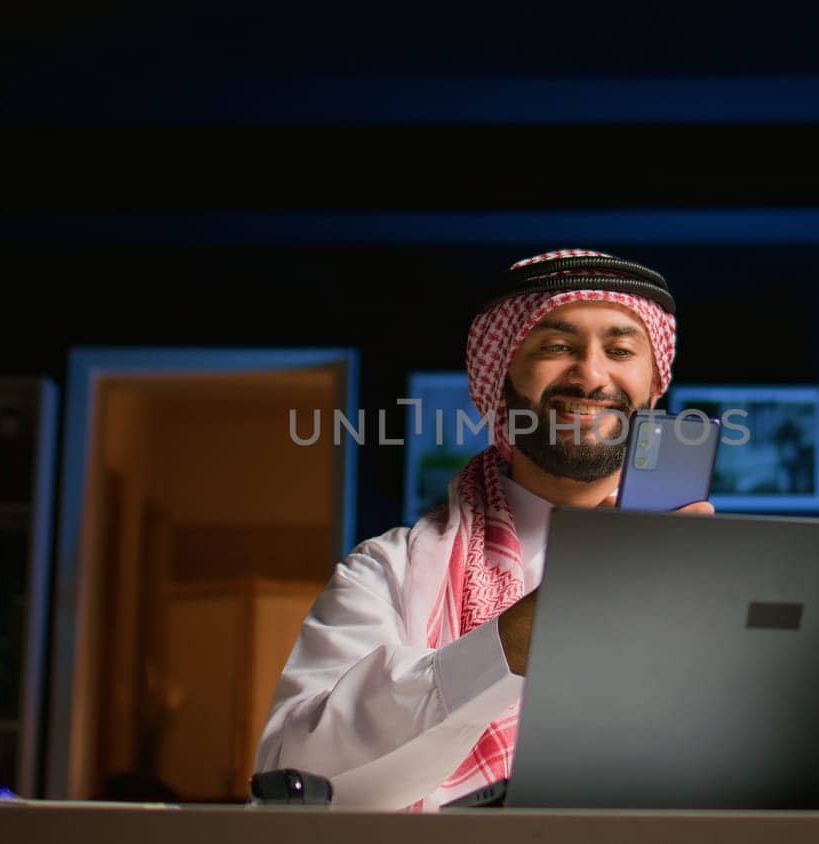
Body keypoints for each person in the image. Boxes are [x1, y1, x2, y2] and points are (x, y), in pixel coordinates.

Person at [254, 249, 712, 810]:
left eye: (620, 351)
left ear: (652, 386)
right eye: (556, 346)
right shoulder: (388, 572)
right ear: (498, 379)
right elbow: (294, 771)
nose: (592, 375)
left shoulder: (718, 570)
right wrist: (521, 636)